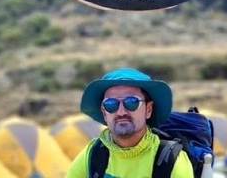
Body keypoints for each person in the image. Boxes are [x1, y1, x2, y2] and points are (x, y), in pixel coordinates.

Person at [64, 67, 194, 178]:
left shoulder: (171, 159)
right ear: (104, 112)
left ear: (148, 109)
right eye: (111, 104)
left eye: (131, 102)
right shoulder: (93, 153)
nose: (121, 112)